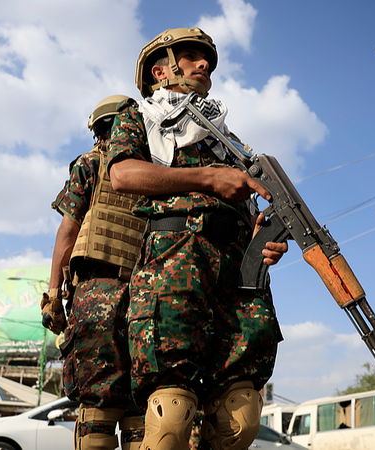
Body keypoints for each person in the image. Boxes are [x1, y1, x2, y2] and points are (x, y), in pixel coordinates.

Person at [106, 27, 287, 450]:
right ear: (161, 69)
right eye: (191, 56)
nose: (204, 64)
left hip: (237, 282)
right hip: (174, 270)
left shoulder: (230, 142)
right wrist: (207, 178)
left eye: (206, 58)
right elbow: (123, 174)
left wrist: (263, 239)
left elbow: (250, 211)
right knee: (172, 416)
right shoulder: (139, 116)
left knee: (240, 419)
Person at [41, 95, 147, 450]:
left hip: (97, 293)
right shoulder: (153, 172)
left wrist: (53, 297)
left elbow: (67, 233)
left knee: (100, 402)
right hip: (146, 297)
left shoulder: (91, 163)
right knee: (140, 402)